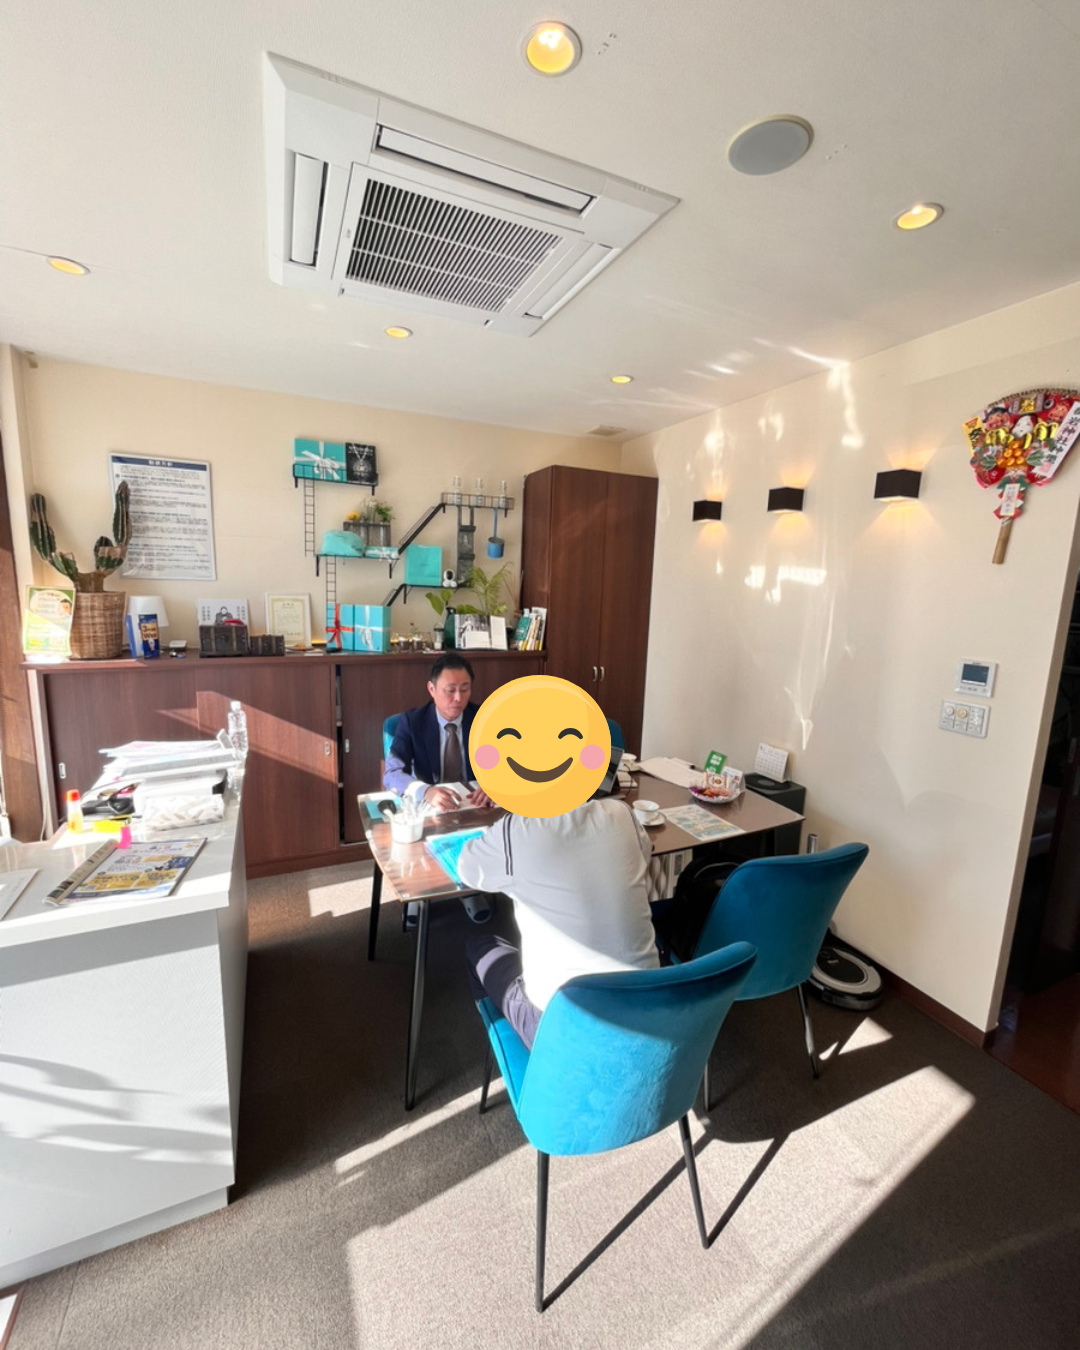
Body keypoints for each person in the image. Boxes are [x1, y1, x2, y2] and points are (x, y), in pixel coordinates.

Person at [457, 799, 660, 1049]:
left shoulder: (514, 831)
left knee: (479, 947)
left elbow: (466, 868)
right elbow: (642, 855)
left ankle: (524, 1055)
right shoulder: (622, 812)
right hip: (650, 1011)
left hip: (564, 1032)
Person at [383, 653, 496, 921]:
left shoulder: (484, 718)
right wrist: (426, 791)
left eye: (465, 689)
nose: (458, 698)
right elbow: (392, 774)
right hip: (431, 806)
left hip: (475, 803)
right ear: (432, 689)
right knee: (419, 836)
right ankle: (419, 892)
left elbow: (508, 763)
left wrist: (495, 785)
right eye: (450, 690)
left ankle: (470, 888)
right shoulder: (412, 722)